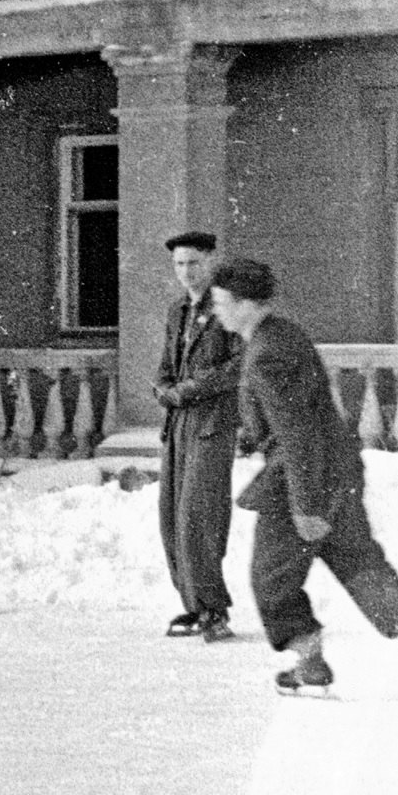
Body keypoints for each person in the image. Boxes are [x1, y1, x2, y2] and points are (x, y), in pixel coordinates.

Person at [213, 254, 398, 696]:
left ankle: (309, 660)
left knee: (271, 577)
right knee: (359, 563)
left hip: (300, 479)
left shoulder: (266, 352)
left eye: (222, 301)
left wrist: (306, 505)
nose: (217, 310)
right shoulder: (282, 334)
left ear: (247, 303)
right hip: (337, 468)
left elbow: (298, 432)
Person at [153, 229, 239, 642]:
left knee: (198, 517)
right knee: (170, 516)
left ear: (211, 262)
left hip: (211, 424)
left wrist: (190, 389)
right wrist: (164, 387)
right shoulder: (177, 312)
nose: (186, 272)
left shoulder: (226, 309)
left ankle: (214, 609)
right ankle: (194, 604)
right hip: (178, 425)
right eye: (179, 264)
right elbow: (166, 365)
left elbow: (238, 367)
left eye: (194, 262)